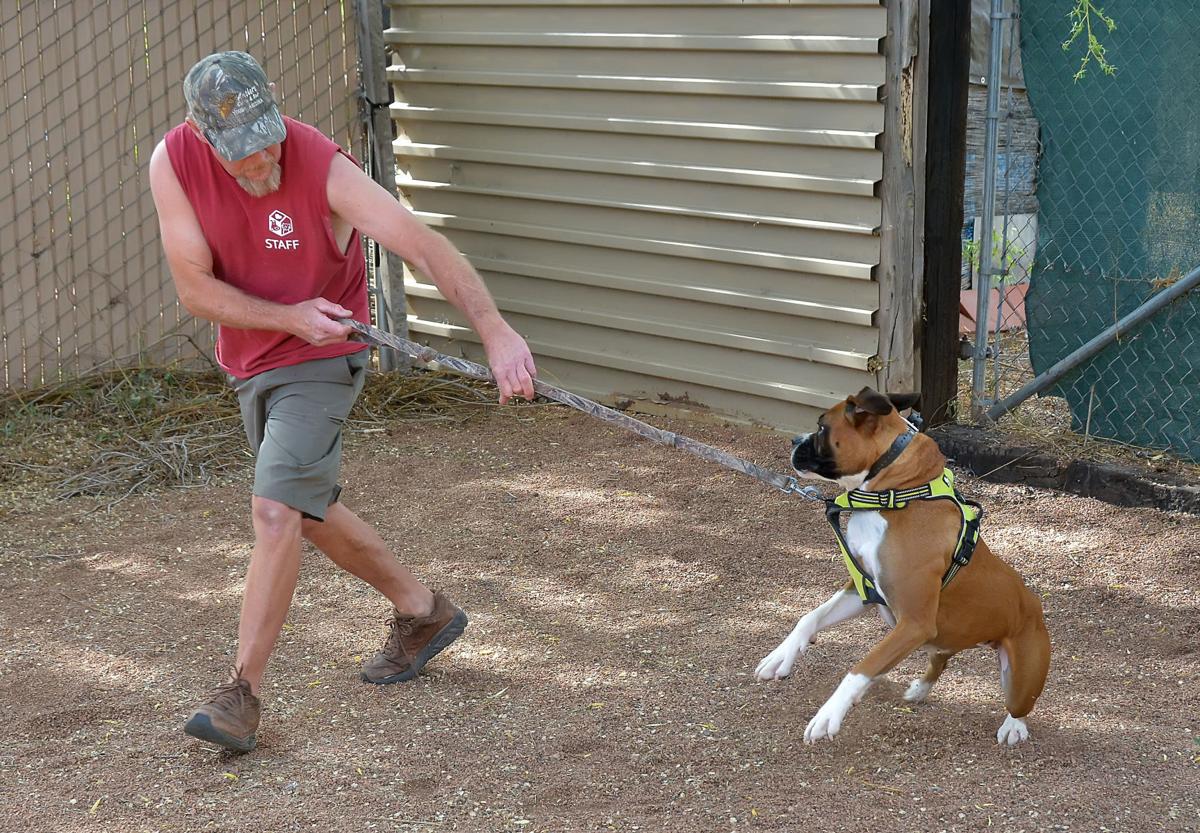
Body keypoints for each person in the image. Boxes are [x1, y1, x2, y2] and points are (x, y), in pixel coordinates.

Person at [148, 51, 537, 753]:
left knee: (275, 509)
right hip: (257, 356)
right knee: (306, 509)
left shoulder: (324, 168)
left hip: (324, 356)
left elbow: (423, 245)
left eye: (267, 139)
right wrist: (288, 316)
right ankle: (423, 610)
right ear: (202, 136)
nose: (261, 158)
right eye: (241, 152)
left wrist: (496, 331)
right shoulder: (173, 162)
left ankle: (240, 694)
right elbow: (195, 290)